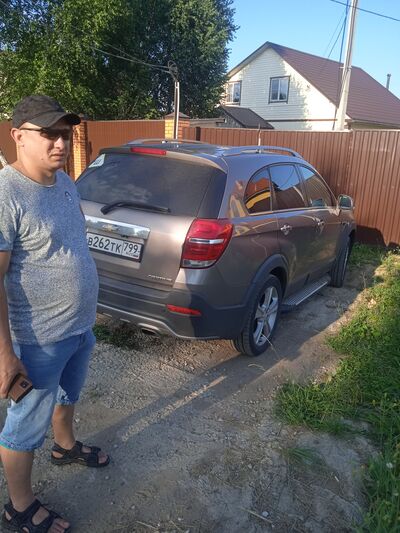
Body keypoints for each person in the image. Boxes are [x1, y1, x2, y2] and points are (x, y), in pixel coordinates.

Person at [0, 95, 109, 533]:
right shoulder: (6, 193)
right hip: (37, 339)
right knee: (24, 426)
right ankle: (19, 506)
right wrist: (6, 355)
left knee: (68, 396)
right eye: (48, 133)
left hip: (78, 327)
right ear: (18, 136)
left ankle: (64, 447)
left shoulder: (64, 181)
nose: (60, 142)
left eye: (64, 133)